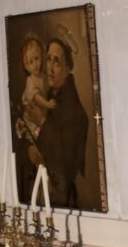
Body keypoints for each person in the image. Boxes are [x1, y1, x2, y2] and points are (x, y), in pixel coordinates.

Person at [32, 36, 95, 208]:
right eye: (49, 60)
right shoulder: (52, 98)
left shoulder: (73, 112)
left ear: (67, 70)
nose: (50, 68)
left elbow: (62, 162)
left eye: (57, 62)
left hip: (62, 200)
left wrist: (42, 125)